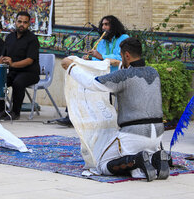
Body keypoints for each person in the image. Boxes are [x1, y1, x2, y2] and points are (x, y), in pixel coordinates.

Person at [61, 37, 170, 181]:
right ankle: (155, 159)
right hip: (157, 135)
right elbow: (132, 72)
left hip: (134, 135)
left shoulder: (123, 76)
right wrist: (116, 63)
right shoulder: (153, 73)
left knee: (101, 165)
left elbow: (92, 83)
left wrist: (70, 67)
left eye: (120, 55)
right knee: (142, 159)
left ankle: (135, 161)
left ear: (127, 55)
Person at [56, 15, 129, 127]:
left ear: (114, 26)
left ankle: (105, 117)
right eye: (102, 25)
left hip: (118, 75)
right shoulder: (102, 42)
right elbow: (96, 60)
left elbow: (121, 59)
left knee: (95, 84)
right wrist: (89, 59)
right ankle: (72, 116)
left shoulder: (124, 38)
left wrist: (100, 56)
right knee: (80, 82)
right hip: (102, 74)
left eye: (107, 24)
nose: (104, 27)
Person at [0, 11, 40, 120]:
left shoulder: (32, 39)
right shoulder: (10, 37)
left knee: (18, 82)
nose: (22, 24)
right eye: (19, 21)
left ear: (29, 24)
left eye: (25, 22)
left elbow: (29, 60)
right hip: (13, 71)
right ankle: (2, 110)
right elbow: (3, 55)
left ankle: (15, 112)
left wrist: (13, 64)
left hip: (29, 72)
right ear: (15, 22)